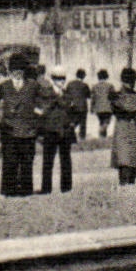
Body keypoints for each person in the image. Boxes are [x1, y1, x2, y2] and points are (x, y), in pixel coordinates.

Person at [0, 54, 42, 198]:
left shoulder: (33, 86)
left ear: (24, 71)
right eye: (14, 70)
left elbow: (44, 102)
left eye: (20, 69)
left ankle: (26, 191)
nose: (17, 72)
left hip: (28, 131)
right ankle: (9, 191)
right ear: (10, 71)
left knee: (27, 162)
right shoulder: (3, 87)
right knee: (10, 162)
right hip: (9, 131)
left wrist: (39, 113)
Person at [37, 64, 79, 194]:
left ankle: (66, 187)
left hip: (65, 131)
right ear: (53, 79)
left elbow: (75, 111)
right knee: (48, 161)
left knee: (66, 160)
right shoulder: (46, 93)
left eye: (63, 79)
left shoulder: (67, 94)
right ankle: (46, 188)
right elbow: (41, 112)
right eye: (58, 79)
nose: (61, 81)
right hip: (50, 131)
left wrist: (73, 123)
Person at [109, 67, 136, 185]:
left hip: (128, 129)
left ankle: (127, 185)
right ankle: (126, 185)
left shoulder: (122, 96)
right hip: (128, 129)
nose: (131, 83)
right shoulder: (126, 96)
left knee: (129, 161)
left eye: (131, 80)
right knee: (128, 161)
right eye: (130, 80)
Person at [65, 68, 92, 141]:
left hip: (72, 106)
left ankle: (70, 134)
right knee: (83, 123)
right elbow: (89, 95)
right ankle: (82, 137)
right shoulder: (84, 85)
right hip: (82, 107)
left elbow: (66, 94)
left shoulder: (70, 84)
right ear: (83, 76)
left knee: (73, 121)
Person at [90, 69, 115, 138]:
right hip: (108, 107)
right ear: (106, 76)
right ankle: (101, 132)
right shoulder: (110, 86)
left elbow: (93, 98)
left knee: (101, 122)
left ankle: (102, 137)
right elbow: (113, 98)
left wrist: (91, 108)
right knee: (107, 122)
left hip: (98, 108)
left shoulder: (94, 86)